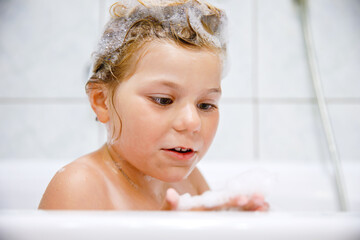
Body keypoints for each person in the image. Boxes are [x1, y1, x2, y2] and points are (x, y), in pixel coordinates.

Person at [38, 0, 269, 211]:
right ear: (102, 101)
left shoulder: (189, 182)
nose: (192, 122)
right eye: (163, 100)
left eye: (206, 105)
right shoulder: (81, 187)